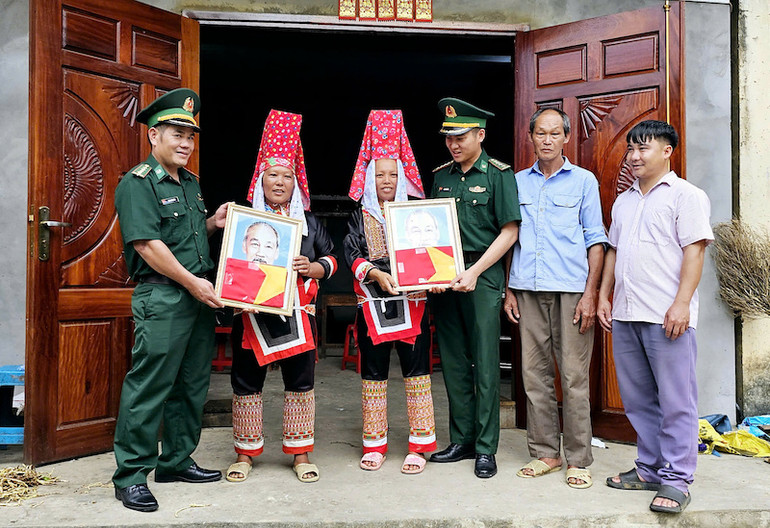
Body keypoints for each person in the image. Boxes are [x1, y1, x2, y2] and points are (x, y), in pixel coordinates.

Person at [112, 88, 228, 512]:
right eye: (177, 134)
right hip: (163, 298)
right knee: (150, 386)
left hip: (196, 299)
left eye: (190, 136)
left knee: (190, 385)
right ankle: (131, 475)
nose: (185, 143)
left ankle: (176, 461)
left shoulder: (190, 183)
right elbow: (147, 245)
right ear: (154, 135)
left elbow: (183, 237)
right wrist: (194, 284)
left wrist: (212, 223)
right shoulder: (138, 183)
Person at [597, 120, 713, 514]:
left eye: (642, 148)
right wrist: (604, 295)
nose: (633, 156)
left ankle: (677, 480)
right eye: (631, 148)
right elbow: (613, 252)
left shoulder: (687, 196)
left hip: (667, 316)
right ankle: (649, 469)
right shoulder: (625, 200)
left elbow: (695, 251)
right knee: (638, 400)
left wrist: (682, 303)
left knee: (677, 401)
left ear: (667, 151)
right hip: (628, 313)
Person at [226, 110, 337, 484]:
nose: (280, 182)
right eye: (273, 175)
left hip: (298, 315)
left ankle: (300, 453)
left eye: (287, 176)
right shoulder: (244, 218)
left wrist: (314, 267)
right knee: (246, 382)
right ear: (261, 179)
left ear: (296, 182)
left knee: (300, 382)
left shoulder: (309, 221)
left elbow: (332, 258)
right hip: (252, 314)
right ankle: (245, 453)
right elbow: (227, 263)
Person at [503, 108, 607, 489]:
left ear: (566, 137)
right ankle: (546, 452)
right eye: (540, 133)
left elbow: (596, 240)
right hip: (527, 290)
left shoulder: (583, 181)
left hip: (571, 291)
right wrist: (509, 289)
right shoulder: (516, 183)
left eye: (554, 133)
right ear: (530, 137)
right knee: (533, 375)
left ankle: (578, 459)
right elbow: (510, 237)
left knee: (574, 376)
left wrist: (591, 293)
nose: (546, 140)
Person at [428, 98, 520, 478]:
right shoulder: (441, 177)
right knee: (453, 360)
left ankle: (485, 447)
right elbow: (431, 229)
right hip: (446, 276)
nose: (453, 144)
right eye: (449, 138)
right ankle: (461, 439)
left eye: (461, 137)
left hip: (483, 275)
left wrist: (475, 272)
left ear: (480, 135)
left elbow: (510, 231)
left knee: (484, 362)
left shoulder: (499, 175)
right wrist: (430, 274)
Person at [343, 109, 437, 475]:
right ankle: (374, 444)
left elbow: (431, 252)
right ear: (370, 178)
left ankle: (420, 445)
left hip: (412, 304)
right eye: (380, 174)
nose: (387, 180)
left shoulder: (417, 213)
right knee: (373, 373)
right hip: (373, 306)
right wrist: (375, 274)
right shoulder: (360, 214)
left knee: (417, 373)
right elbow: (351, 251)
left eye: (393, 174)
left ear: (403, 177)